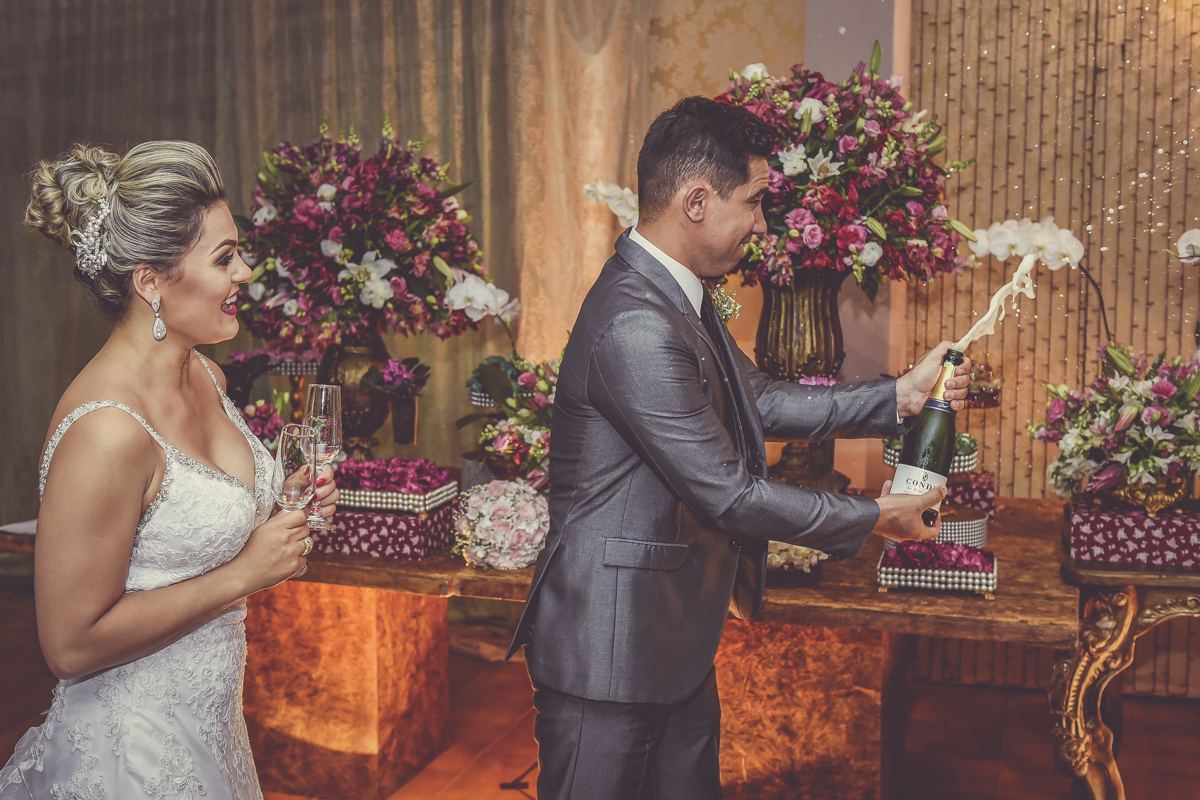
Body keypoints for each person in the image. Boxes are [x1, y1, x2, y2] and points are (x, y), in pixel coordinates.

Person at [506, 97, 972, 800]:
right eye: (754, 202)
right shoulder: (637, 321)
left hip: (669, 638)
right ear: (697, 201)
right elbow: (729, 493)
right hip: (610, 650)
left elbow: (757, 401)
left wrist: (896, 398)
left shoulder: (677, 296)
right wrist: (880, 513)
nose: (761, 224)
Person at [0, 141, 339, 800]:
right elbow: (70, 645)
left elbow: (182, 532)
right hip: (134, 753)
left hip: (212, 729)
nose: (245, 272)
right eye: (224, 258)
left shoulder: (203, 373)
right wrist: (246, 573)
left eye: (237, 252)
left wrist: (280, 501)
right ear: (150, 281)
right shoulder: (106, 431)